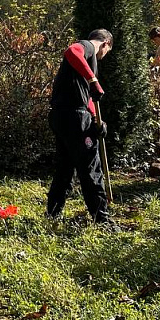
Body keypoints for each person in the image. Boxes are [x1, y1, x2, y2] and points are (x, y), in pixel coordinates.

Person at [46, 29, 113, 224]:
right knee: (91, 167)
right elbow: (71, 50)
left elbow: (88, 99)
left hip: (61, 115)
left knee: (65, 168)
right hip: (74, 117)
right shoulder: (88, 47)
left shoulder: (84, 64)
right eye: (107, 52)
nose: (103, 56)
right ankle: (102, 221)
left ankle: (53, 214)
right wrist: (93, 80)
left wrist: (97, 121)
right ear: (106, 44)